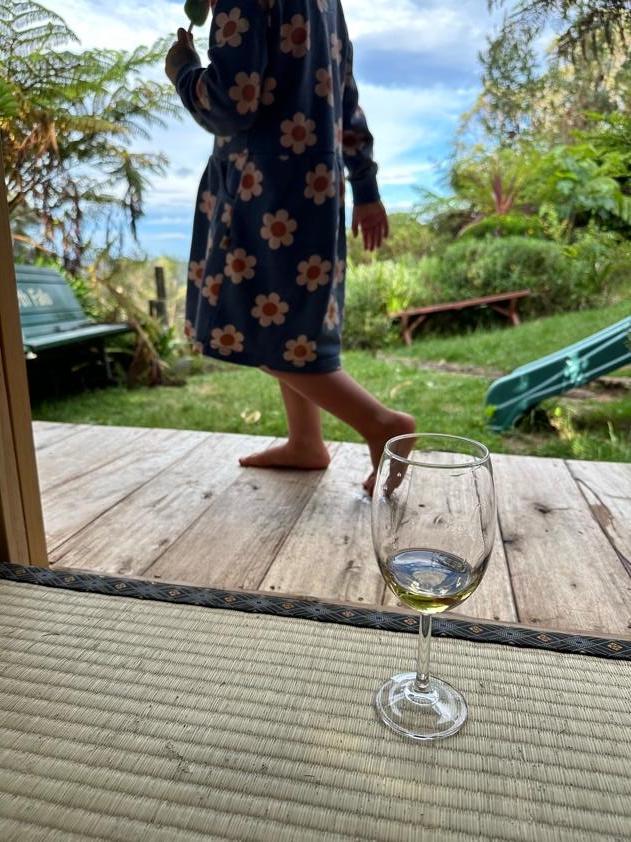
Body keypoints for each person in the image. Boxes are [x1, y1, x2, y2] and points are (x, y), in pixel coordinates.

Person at [166, 0, 414, 494]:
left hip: (261, 190)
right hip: (315, 184)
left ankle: (381, 424)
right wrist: (365, 188)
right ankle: (306, 441)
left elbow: (231, 103)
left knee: (244, 322)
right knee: (290, 321)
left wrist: (184, 72)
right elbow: (346, 97)